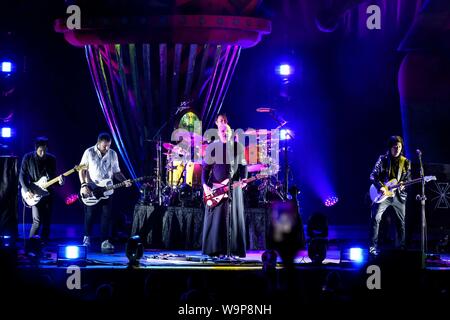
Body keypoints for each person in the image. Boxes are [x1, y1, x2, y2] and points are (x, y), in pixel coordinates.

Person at [79, 132, 131, 253]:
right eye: (104, 146)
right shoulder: (89, 152)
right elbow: (81, 170)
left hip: (107, 189)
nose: (107, 148)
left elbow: (117, 172)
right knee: (90, 214)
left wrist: (124, 181)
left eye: (108, 146)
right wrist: (84, 185)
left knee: (106, 216)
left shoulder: (113, 154)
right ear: (98, 143)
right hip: (92, 188)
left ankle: (104, 241)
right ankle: (86, 239)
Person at [202, 122, 247, 258]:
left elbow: (243, 166)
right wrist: (205, 185)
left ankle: (233, 250)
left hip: (233, 188)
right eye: (222, 131)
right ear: (218, 133)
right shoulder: (213, 148)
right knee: (217, 220)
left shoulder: (237, 148)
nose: (224, 133)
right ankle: (215, 250)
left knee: (233, 217)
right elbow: (205, 169)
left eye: (227, 131)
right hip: (216, 188)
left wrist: (244, 179)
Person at [369, 135, 411, 255]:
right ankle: (372, 248)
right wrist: (381, 186)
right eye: (394, 147)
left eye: (399, 146)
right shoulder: (383, 159)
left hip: (398, 196)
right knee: (375, 219)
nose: (397, 149)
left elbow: (408, 178)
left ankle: (401, 249)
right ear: (390, 148)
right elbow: (373, 175)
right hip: (383, 194)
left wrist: (404, 184)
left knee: (401, 222)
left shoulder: (406, 162)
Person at [19, 137, 64, 242]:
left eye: (45, 150)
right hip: (34, 192)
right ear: (36, 149)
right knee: (37, 221)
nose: (43, 153)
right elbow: (21, 176)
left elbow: (53, 178)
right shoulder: (28, 158)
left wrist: (60, 182)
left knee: (47, 221)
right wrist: (26, 190)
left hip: (48, 193)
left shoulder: (51, 159)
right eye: (40, 151)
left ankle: (44, 245)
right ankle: (31, 245)